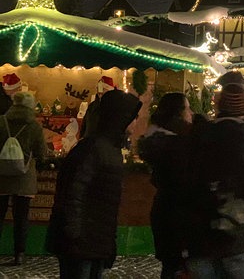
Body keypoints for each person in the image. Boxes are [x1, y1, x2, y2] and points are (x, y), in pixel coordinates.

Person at [46, 90, 142, 279]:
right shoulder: (94, 148)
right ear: (121, 117)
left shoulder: (109, 148)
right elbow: (74, 192)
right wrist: (74, 234)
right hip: (82, 242)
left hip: (95, 240)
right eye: (134, 117)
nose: (137, 121)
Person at [190, 83, 244, 277]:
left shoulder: (198, 136)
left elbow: (185, 188)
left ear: (218, 105)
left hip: (201, 240)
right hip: (239, 241)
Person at [137, 92, 198, 278]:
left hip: (165, 213)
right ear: (177, 113)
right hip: (178, 216)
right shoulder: (177, 144)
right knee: (178, 268)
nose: (191, 113)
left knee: (171, 267)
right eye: (187, 108)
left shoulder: (160, 139)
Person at [0, 92, 46, 266]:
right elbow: (41, 153)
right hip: (24, 177)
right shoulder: (34, 126)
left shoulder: (1, 122)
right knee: (21, 218)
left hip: (1, 176)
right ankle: (19, 254)